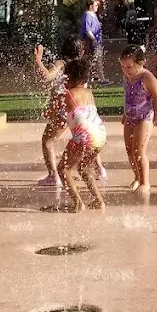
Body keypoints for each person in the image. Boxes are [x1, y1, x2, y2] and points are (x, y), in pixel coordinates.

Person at [35, 37, 93, 187]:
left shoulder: (62, 63)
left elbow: (47, 76)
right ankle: (99, 169)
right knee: (85, 138)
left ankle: (53, 175)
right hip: (81, 109)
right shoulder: (81, 65)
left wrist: (38, 60)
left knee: (48, 140)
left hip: (63, 107)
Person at [58, 56, 106, 210]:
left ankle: (78, 204)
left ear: (69, 77)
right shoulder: (88, 92)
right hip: (100, 135)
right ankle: (99, 200)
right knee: (84, 167)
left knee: (63, 169)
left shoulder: (68, 95)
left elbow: (53, 114)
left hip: (84, 137)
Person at [120, 45, 157, 191]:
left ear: (140, 63)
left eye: (129, 67)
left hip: (144, 117)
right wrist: (124, 114)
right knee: (129, 150)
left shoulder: (147, 77)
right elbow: (128, 96)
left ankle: (145, 182)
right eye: (123, 67)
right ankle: (137, 177)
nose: (126, 70)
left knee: (138, 150)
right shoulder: (127, 76)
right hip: (130, 117)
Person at [79, 0, 106, 83]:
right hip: (90, 42)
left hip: (96, 42)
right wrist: (93, 39)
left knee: (96, 60)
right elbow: (87, 30)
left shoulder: (93, 15)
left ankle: (98, 78)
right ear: (90, 6)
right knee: (90, 60)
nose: (97, 7)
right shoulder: (87, 15)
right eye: (95, 6)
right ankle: (98, 78)